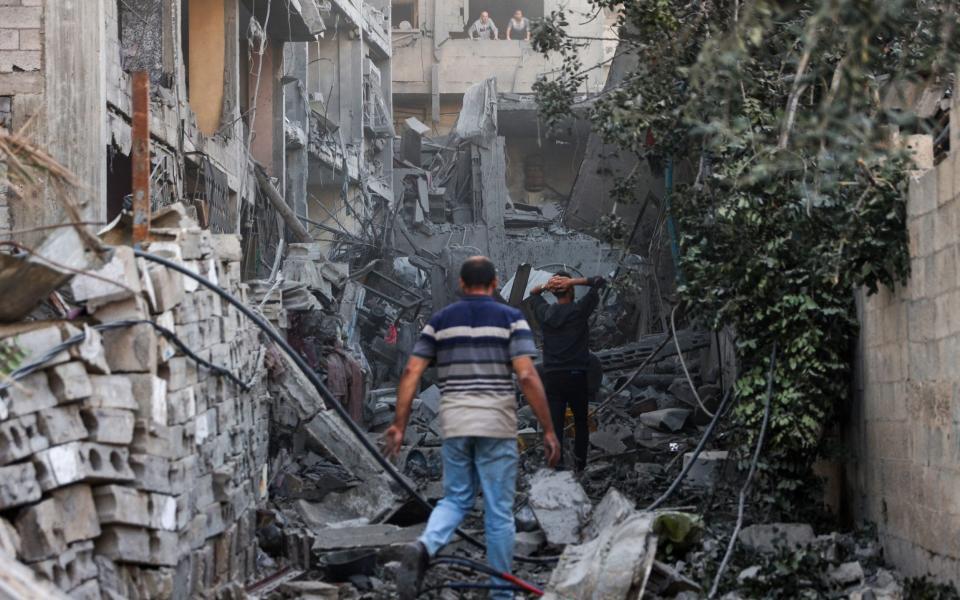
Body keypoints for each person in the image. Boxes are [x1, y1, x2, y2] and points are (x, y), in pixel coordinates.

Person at [384, 256, 561, 600]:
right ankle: (501, 594)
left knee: (455, 500)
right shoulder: (512, 319)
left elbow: (411, 373)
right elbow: (526, 374)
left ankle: (424, 545)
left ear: (462, 285)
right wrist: (549, 429)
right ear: (495, 284)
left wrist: (398, 425)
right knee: (498, 510)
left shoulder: (440, 321)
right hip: (497, 423)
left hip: (456, 423)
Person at [528, 272, 606, 472]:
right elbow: (598, 281)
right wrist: (573, 280)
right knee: (581, 423)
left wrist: (547, 286)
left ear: (554, 294)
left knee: (555, 426)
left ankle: (558, 467)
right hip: (576, 376)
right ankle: (580, 466)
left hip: (553, 377)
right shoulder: (579, 310)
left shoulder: (544, 313)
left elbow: (533, 293)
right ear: (571, 290)